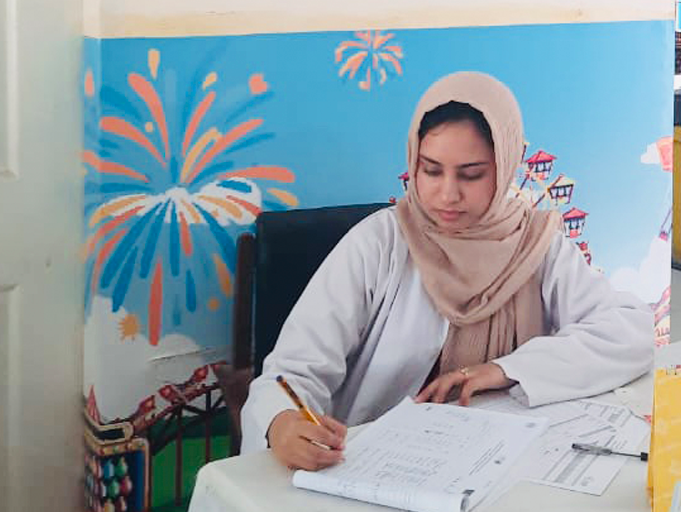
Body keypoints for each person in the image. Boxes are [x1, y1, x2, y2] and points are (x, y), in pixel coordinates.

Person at [240, 71, 655, 470]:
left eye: (472, 174)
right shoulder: (380, 244)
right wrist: (281, 424)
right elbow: (291, 375)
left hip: (501, 464)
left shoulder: (535, 245)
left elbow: (630, 332)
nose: (447, 194)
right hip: (372, 468)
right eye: (431, 170)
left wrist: (506, 369)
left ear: (506, 165)